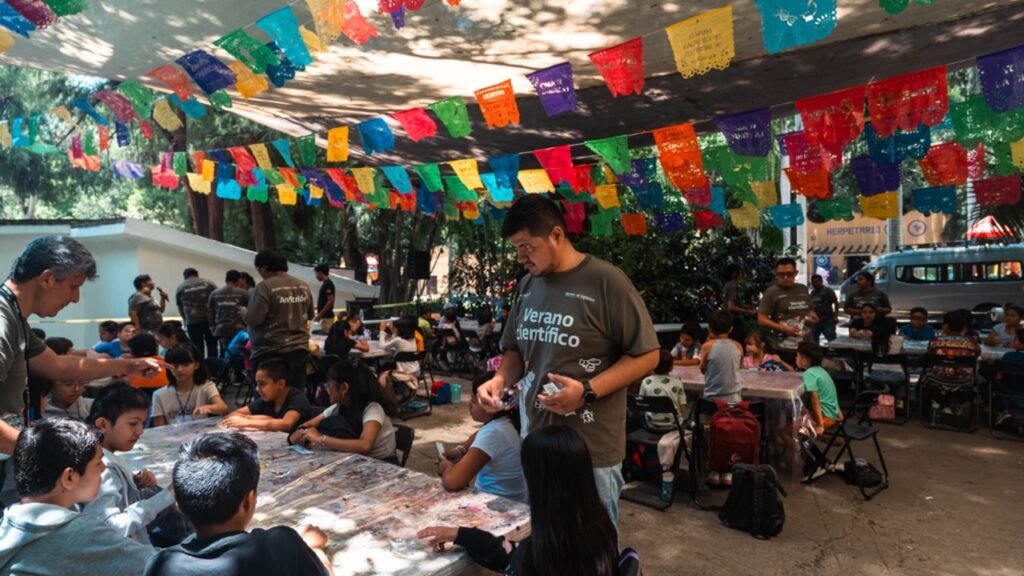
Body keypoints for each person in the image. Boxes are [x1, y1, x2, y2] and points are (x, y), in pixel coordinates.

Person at [477, 195, 660, 529]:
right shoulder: (527, 286)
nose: (520, 257)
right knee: (545, 539)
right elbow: (515, 349)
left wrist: (587, 391)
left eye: (527, 247)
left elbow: (648, 354)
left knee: (593, 547)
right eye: (516, 248)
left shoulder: (606, 282)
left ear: (556, 235)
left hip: (589, 448)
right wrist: (500, 380)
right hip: (536, 440)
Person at [0, 236, 159, 455]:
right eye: (73, 286)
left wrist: (129, 365)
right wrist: (41, 453)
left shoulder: (15, 317)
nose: (75, 298)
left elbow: (57, 366)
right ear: (46, 279)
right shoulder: (3, 322)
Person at [418, 426, 619, 576]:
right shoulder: (597, 529)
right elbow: (511, 553)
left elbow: (519, 559)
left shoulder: (539, 555)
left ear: (540, 483)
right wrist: (460, 535)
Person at [142, 431, 333, 576]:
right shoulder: (282, 545)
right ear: (248, 501)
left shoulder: (160, 565)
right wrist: (314, 550)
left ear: (179, 504)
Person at [0, 418, 155, 575]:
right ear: (69, 478)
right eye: (98, 462)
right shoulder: (79, 532)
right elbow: (159, 564)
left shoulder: (8, 522)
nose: (103, 469)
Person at [83, 384, 175, 545]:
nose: (140, 431)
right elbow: (109, 528)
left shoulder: (104, 455)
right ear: (103, 424)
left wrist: (134, 484)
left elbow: (120, 499)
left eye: (143, 423)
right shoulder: (101, 467)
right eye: (133, 424)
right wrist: (168, 495)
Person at [436, 372, 526, 503]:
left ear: (491, 405)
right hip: (514, 500)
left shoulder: (493, 433)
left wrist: (446, 467)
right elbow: (479, 434)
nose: (469, 405)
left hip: (497, 504)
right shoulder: (508, 421)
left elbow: (453, 482)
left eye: (474, 401)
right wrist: (461, 450)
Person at [288, 361, 398, 462]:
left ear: (344, 388)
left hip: (382, 463)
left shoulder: (373, 409)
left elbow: (365, 446)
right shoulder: (339, 406)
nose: (327, 390)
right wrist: (301, 432)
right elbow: (309, 424)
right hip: (358, 460)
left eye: (329, 385)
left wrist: (321, 439)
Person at [246, 249, 315, 390]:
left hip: (270, 352)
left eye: (259, 269)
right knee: (295, 393)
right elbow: (310, 315)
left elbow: (254, 320)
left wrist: (244, 313)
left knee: (267, 396)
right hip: (299, 350)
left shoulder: (264, 287)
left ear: (265, 268)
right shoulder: (303, 285)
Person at [222, 358, 312, 433]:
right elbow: (234, 414)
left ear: (280, 384)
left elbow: (286, 424)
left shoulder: (297, 398)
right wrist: (263, 418)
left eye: (262, 384)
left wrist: (247, 421)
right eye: (257, 384)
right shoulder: (268, 398)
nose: (257, 389)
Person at [151, 345, 229, 427]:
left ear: (196, 365)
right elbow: (159, 429)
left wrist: (208, 408)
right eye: (175, 365)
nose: (180, 369)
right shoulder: (159, 395)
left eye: (186, 365)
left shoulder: (206, 386)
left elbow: (223, 407)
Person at [757, 257, 819, 344]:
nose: (785, 277)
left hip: (806, 342)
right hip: (784, 343)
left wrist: (813, 317)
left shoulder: (802, 289)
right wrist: (784, 328)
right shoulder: (771, 292)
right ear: (776, 274)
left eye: (789, 274)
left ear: (795, 273)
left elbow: (809, 311)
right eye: (781, 274)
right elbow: (761, 319)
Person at [796, 342, 841, 435]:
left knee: (787, 428)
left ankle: (798, 445)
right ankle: (825, 438)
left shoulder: (809, 373)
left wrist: (820, 425)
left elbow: (815, 399)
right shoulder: (820, 370)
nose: (795, 358)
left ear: (804, 360)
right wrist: (839, 414)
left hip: (825, 418)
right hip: (833, 415)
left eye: (797, 356)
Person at [700, 310, 743, 404]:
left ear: (709, 328)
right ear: (731, 329)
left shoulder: (707, 346)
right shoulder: (738, 346)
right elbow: (739, 367)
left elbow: (702, 369)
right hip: (735, 399)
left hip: (712, 399)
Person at [638, 349, 686, 431]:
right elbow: (683, 408)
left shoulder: (645, 381)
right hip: (673, 424)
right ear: (671, 367)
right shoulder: (677, 382)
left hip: (650, 424)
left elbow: (641, 403)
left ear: (652, 365)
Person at [927, 309, 981, 382]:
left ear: (946, 326)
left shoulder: (934, 341)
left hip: (937, 379)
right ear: (964, 328)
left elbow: (929, 352)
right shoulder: (973, 342)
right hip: (965, 381)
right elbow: (978, 354)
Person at [175, 268, 217, 359]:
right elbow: (217, 299)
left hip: (192, 321)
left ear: (185, 276)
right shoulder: (209, 283)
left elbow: (180, 306)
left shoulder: (181, 287)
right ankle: (213, 364)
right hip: (209, 320)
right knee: (212, 344)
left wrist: (185, 319)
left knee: (197, 346)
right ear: (197, 274)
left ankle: (200, 364)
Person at [208, 270, 250, 358]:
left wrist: (212, 326)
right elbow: (250, 310)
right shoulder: (244, 293)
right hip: (239, 329)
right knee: (238, 353)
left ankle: (224, 365)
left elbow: (210, 311)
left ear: (226, 279)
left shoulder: (214, 293)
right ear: (238, 280)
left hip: (221, 329)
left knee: (224, 352)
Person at [377, 317, 420, 398]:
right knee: (387, 364)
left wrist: (382, 331)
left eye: (395, 328)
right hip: (415, 370)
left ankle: (384, 392)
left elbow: (382, 346)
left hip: (402, 371)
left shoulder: (398, 340)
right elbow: (395, 340)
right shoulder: (412, 339)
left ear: (401, 329)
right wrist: (393, 330)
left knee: (381, 366)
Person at [809, 274, 838, 343]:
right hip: (816, 321)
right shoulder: (812, 293)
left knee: (832, 340)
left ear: (821, 281)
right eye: (813, 282)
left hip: (827, 320)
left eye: (817, 281)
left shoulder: (828, 291)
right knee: (814, 341)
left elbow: (836, 302)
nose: (815, 284)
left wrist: (835, 315)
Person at [313, 264, 336, 332]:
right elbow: (326, 301)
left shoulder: (328, 284)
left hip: (327, 318)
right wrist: (317, 306)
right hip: (325, 318)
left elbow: (330, 301)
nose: (315, 276)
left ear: (320, 272)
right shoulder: (326, 283)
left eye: (316, 273)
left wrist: (319, 315)